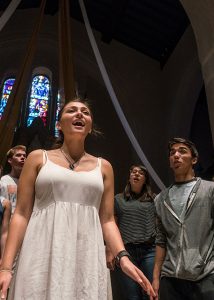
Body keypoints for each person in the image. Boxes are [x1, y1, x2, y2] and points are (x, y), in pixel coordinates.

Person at [0, 98, 155, 299]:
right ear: (59, 124)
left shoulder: (104, 166)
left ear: (90, 128)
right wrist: (5, 268)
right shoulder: (38, 158)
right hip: (41, 249)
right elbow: (21, 214)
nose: (79, 114)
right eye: (71, 110)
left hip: (87, 253)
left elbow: (107, 220)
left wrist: (122, 257)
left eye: (85, 112)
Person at [151, 137, 214, 300]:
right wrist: (156, 278)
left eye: (182, 151)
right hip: (171, 278)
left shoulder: (210, 190)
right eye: (172, 153)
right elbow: (161, 240)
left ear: (194, 159)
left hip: (205, 276)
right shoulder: (160, 199)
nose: (176, 155)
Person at [107, 165, 156, 300]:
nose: (136, 174)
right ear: (129, 176)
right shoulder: (118, 199)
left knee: (150, 293)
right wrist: (110, 250)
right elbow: (112, 224)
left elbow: (159, 225)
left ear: (145, 179)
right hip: (126, 252)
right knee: (131, 296)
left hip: (149, 251)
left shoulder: (153, 199)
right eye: (134, 172)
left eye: (141, 173)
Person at [0, 145, 26, 214]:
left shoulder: (29, 181)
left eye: (24, 155)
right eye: (18, 155)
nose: (22, 157)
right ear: (10, 160)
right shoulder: (3, 181)